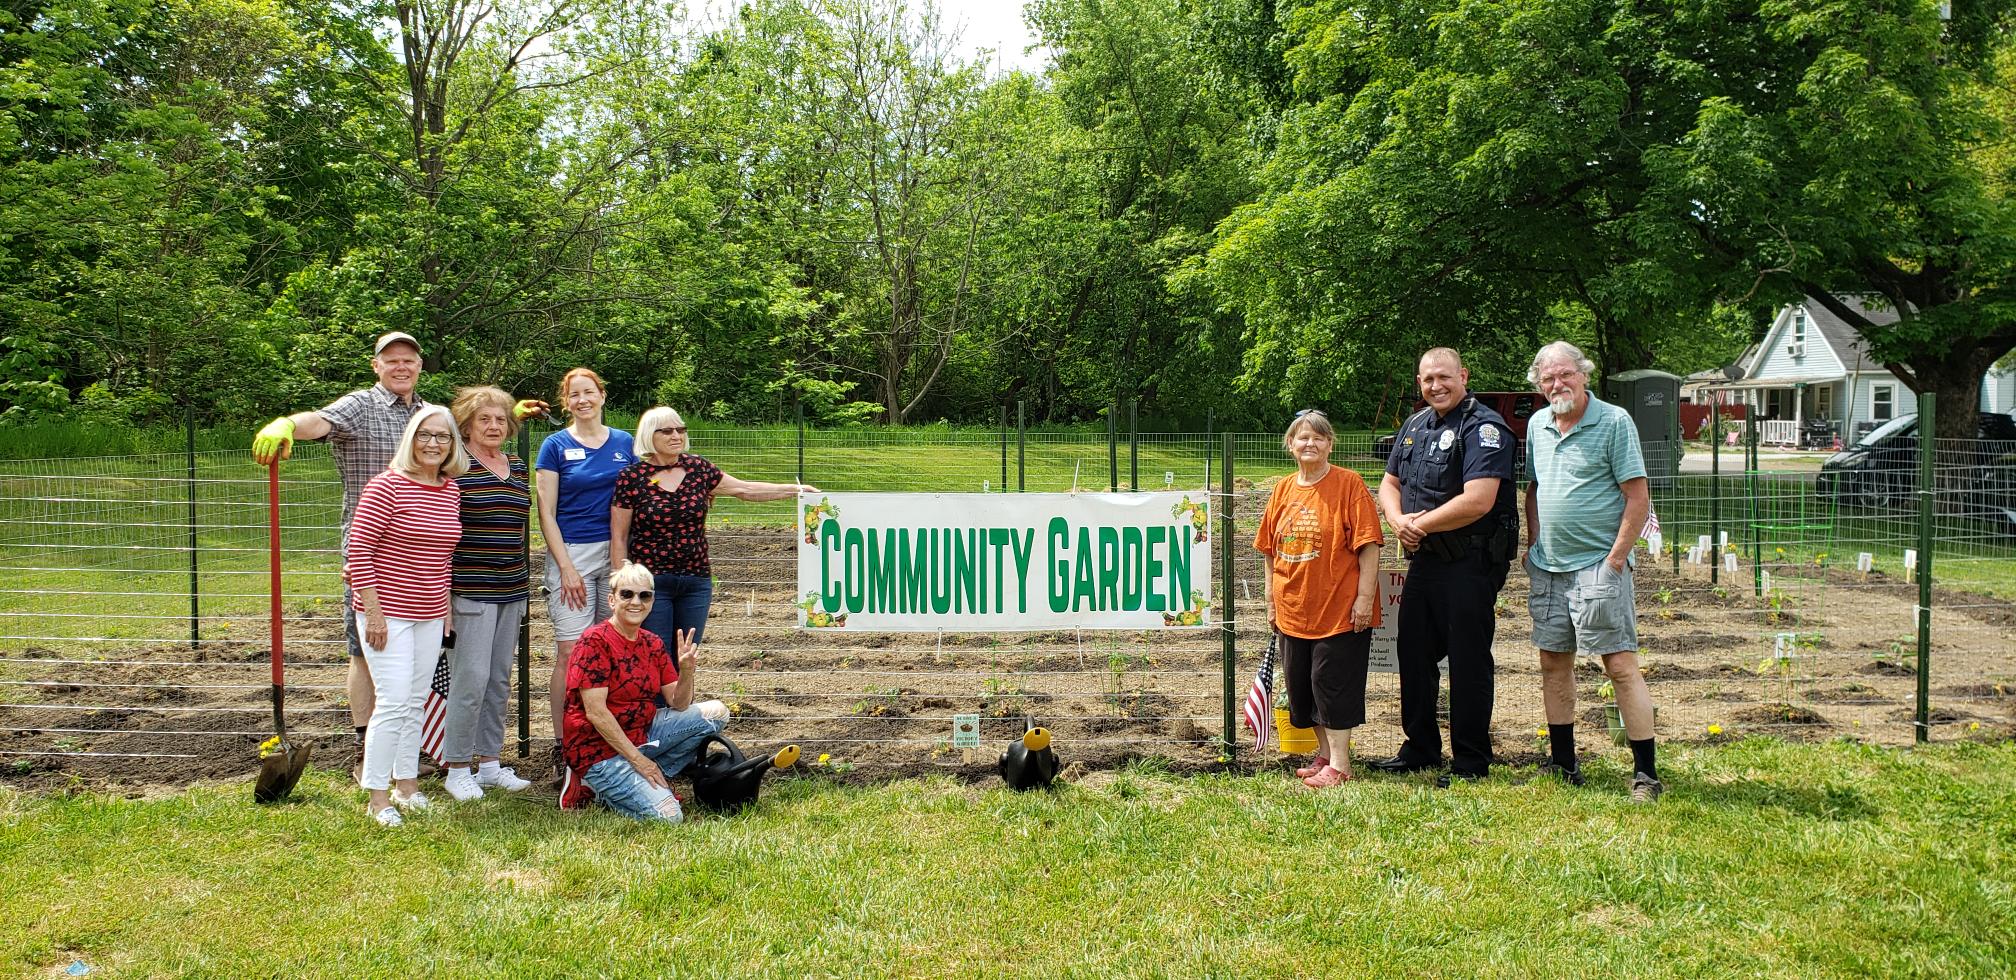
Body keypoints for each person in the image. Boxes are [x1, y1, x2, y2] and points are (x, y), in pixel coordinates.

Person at [250, 332, 429, 767]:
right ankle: (367, 748)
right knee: (367, 650)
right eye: (391, 361)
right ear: (376, 366)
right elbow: (320, 421)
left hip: (424, 557)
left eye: (408, 360)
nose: (400, 367)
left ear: (420, 366)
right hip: (372, 552)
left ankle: (407, 745)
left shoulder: (427, 415)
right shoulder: (361, 406)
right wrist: (289, 423)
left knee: (419, 655)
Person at [1522, 340, 1662, 803]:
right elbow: (1534, 490)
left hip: (1599, 565)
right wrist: (1532, 543)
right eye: (1548, 379)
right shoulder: (1537, 425)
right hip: (1548, 567)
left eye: (1565, 375)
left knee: (1619, 664)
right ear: (1539, 385)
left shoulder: (1615, 422)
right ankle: (1563, 765)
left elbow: (1637, 498)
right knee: (1552, 663)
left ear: (1584, 375)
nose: (1557, 384)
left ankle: (1645, 774)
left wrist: (1616, 561)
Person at [1373, 348, 1520, 786]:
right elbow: (1389, 482)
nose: (1435, 386)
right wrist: (1397, 520)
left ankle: (1471, 761)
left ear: (1463, 376)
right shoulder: (1416, 425)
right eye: (1426, 379)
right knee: (1413, 654)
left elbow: (1478, 500)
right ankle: (1420, 750)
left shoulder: (1485, 428)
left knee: (1467, 660)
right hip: (1426, 561)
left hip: (1470, 563)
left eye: (1443, 377)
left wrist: (1418, 525)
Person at [346, 405, 466, 827]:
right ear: (410, 439)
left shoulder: (449, 489)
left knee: (415, 702)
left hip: (430, 613)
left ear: (453, 444)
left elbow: (443, 557)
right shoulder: (385, 487)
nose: (433, 444)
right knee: (393, 703)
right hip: (387, 614)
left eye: (443, 437)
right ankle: (378, 798)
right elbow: (357, 554)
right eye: (425, 435)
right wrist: (374, 616)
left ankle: (407, 786)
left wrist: (446, 609)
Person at [610, 406, 817, 647]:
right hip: (651, 583)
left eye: (680, 429)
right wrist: (621, 583)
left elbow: (744, 489)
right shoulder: (632, 478)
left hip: (695, 580)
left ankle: (686, 687)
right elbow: (619, 535)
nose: (676, 436)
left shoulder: (699, 469)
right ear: (648, 435)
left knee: (688, 656)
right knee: (657, 655)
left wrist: (797, 490)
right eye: (666, 431)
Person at [1253, 409, 1384, 789]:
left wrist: (1364, 598)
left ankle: (1341, 766)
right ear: (1290, 445)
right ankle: (1324, 756)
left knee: (1332, 684)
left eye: (1318, 437)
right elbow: (1268, 550)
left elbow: (1369, 546)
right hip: (1294, 608)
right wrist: (1270, 599)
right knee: (1303, 686)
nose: (1310, 443)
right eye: (1302, 437)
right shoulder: (1283, 489)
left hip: (1339, 608)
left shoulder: (1348, 484)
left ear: (1330, 444)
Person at [558, 561, 731, 822]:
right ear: (612, 600)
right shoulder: (594, 641)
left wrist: (686, 672)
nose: (635, 601)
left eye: (644, 595)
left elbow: (679, 703)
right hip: (596, 746)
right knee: (669, 816)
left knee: (716, 713)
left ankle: (644, 777)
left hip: (640, 732)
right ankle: (591, 783)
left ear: (652, 600)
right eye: (626, 594)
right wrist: (639, 760)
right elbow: (596, 713)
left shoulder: (652, 643)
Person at [536, 368, 635, 779]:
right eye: (574, 394)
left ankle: (604, 742)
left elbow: (642, 490)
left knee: (607, 654)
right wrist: (566, 568)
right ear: (566, 402)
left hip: (615, 558)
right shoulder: (554, 445)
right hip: (572, 556)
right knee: (570, 652)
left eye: (589, 392)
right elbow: (545, 512)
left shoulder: (624, 442)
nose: (582, 400)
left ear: (601, 396)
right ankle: (565, 745)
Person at [439, 387, 535, 801]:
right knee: (470, 680)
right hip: (471, 592)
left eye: (499, 419)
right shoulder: (454, 467)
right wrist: (444, 599)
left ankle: (491, 763)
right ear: (466, 425)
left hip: (511, 589)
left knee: (498, 680)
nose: (493, 426)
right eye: (484, 420)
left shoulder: (515, 465)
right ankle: (457, 767)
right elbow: (441, 536)